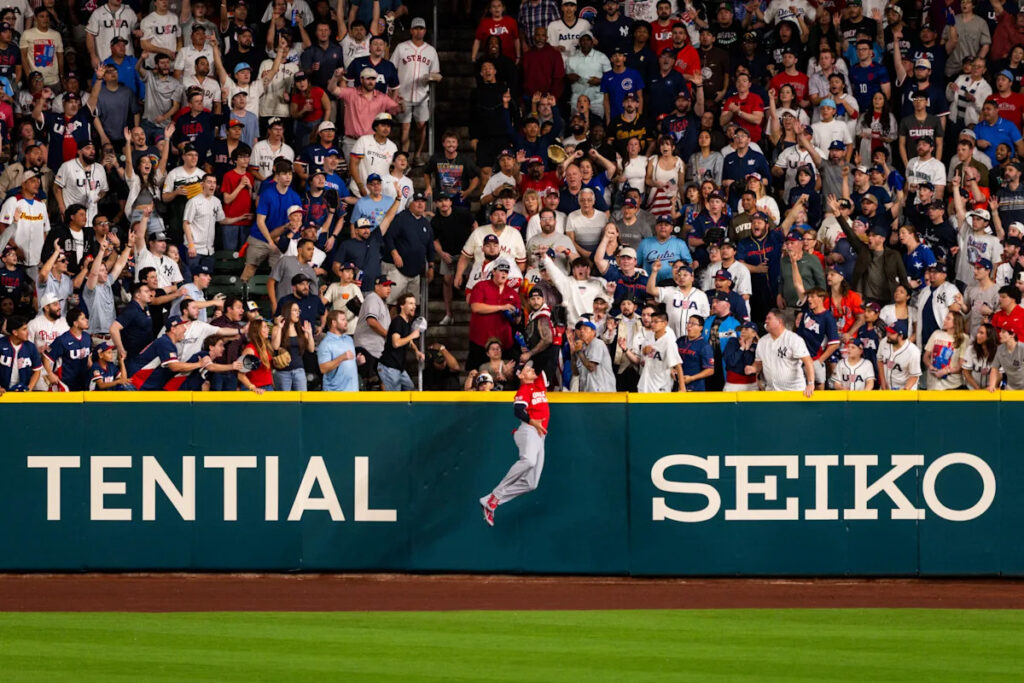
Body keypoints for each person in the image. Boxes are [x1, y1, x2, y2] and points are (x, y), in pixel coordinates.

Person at [479, 359, 549, 528]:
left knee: (532, 483)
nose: (532, 370)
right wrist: (532, 421)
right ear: (521, 376)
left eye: (532, 369)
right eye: (528, 370)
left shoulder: (539, 384)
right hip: (528, 429)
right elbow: (518, 411)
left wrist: (527, 358)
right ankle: (496, 494)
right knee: (529, 461)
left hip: (540, 436)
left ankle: (490, 500)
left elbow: (544, 361)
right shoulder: (524, 389)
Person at [750, 308, 815, 396]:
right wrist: (753, 368)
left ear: (779, 321)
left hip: (794, 391)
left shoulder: (793, 339)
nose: (766, 321)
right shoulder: (762, 341)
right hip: (772, 392)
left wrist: (811, 383)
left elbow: (808, 361)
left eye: (769, 318)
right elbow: (758, 363)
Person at [630, 307, 683, 393]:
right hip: (645, 382)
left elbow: (678, 365)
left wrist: (682, 387)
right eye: (652, 321)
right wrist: (644, 351)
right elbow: (643, 357)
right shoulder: (649, 336)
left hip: (660, 385)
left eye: (656, 322)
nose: (653, 324)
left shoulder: (669, 341)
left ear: (665, 323)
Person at [378, 293, 423, 391]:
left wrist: (416, 351)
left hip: (398, 367)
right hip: (389, 366)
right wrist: (412, 335)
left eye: (414, 304)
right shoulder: (398, 321)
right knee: (396, 398)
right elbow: (396, 343)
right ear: (402, 306)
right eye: (410, 303)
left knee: (410, 389)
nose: (414, 306)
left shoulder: (406, 323)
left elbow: (409, 341)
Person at [570, 318, 615, 392]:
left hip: (603, 393)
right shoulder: (582, 347)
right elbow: (575, 372)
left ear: (593, 332)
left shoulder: (597, 343)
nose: (582, 331)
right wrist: (572, 354)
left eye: (585, 329)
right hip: (587, 392)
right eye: (580, 329)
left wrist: (579, 352)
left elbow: (591, 367)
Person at [0, 315, 42, 392]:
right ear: (15, 332)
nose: (28, 332)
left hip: (22, 391)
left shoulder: (31, 347)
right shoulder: (1, 344)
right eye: (24, 329)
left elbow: (37, 370)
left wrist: (29, 388)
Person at [877, 319, 922, 390]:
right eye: (888, 332)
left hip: (904, 388)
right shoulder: (884, 342)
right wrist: (883, 381)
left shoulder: (913, 352)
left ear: (900, 336)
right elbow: (880, 360)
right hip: (886, 387)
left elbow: (914, 376)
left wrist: (904, 391)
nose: (888, 335)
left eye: (892, 333)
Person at [989, 324, 1024, 390]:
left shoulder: (1022, 348)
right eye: (1000, 331)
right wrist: (992, 385)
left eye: (1003, 332)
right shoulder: (1000, 349)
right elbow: (994, 369)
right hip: (1010, 388)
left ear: (1012, 334)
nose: (1000, 334)